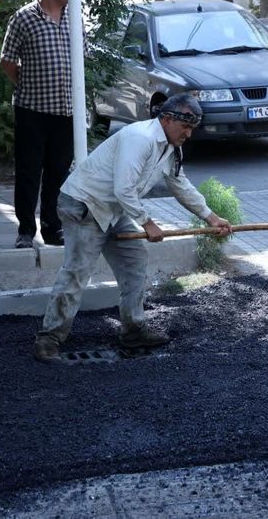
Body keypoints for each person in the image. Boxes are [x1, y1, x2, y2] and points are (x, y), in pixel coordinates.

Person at [34, 93, 232, 363]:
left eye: (192, 128)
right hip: (84, 204)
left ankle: (134, 330)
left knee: (135, 261)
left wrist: (211, 217)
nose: (188, 133)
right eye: (185, 126)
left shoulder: (171, 149)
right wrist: (148, 223)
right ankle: (49, 338)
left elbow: (180, 185)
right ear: (167, 118)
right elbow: (123, 187)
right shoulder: (141, 138)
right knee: (77, 272)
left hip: (114, 209)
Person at [0, 0, 73, 249]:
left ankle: (53, 228)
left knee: (59, 173)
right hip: (32, 110)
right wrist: (28, 85)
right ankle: (26, 231)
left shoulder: (74, 16)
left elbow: (80, 57)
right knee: (29, 171)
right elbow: (7, 61)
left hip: (66, 112)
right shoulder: (24, 18)